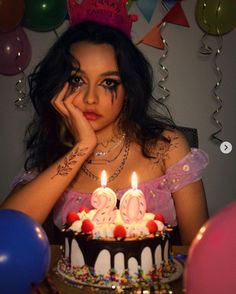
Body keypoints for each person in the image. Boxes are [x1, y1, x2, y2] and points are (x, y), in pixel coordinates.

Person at [1, 20, 209, 245]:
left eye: (108, 82)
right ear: (58, 86)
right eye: (77, 80)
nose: (91, 98)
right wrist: (82, 147)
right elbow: (6, 232)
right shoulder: (52, 153)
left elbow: (198, 253)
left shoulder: (166, 147)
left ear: (128, 90)